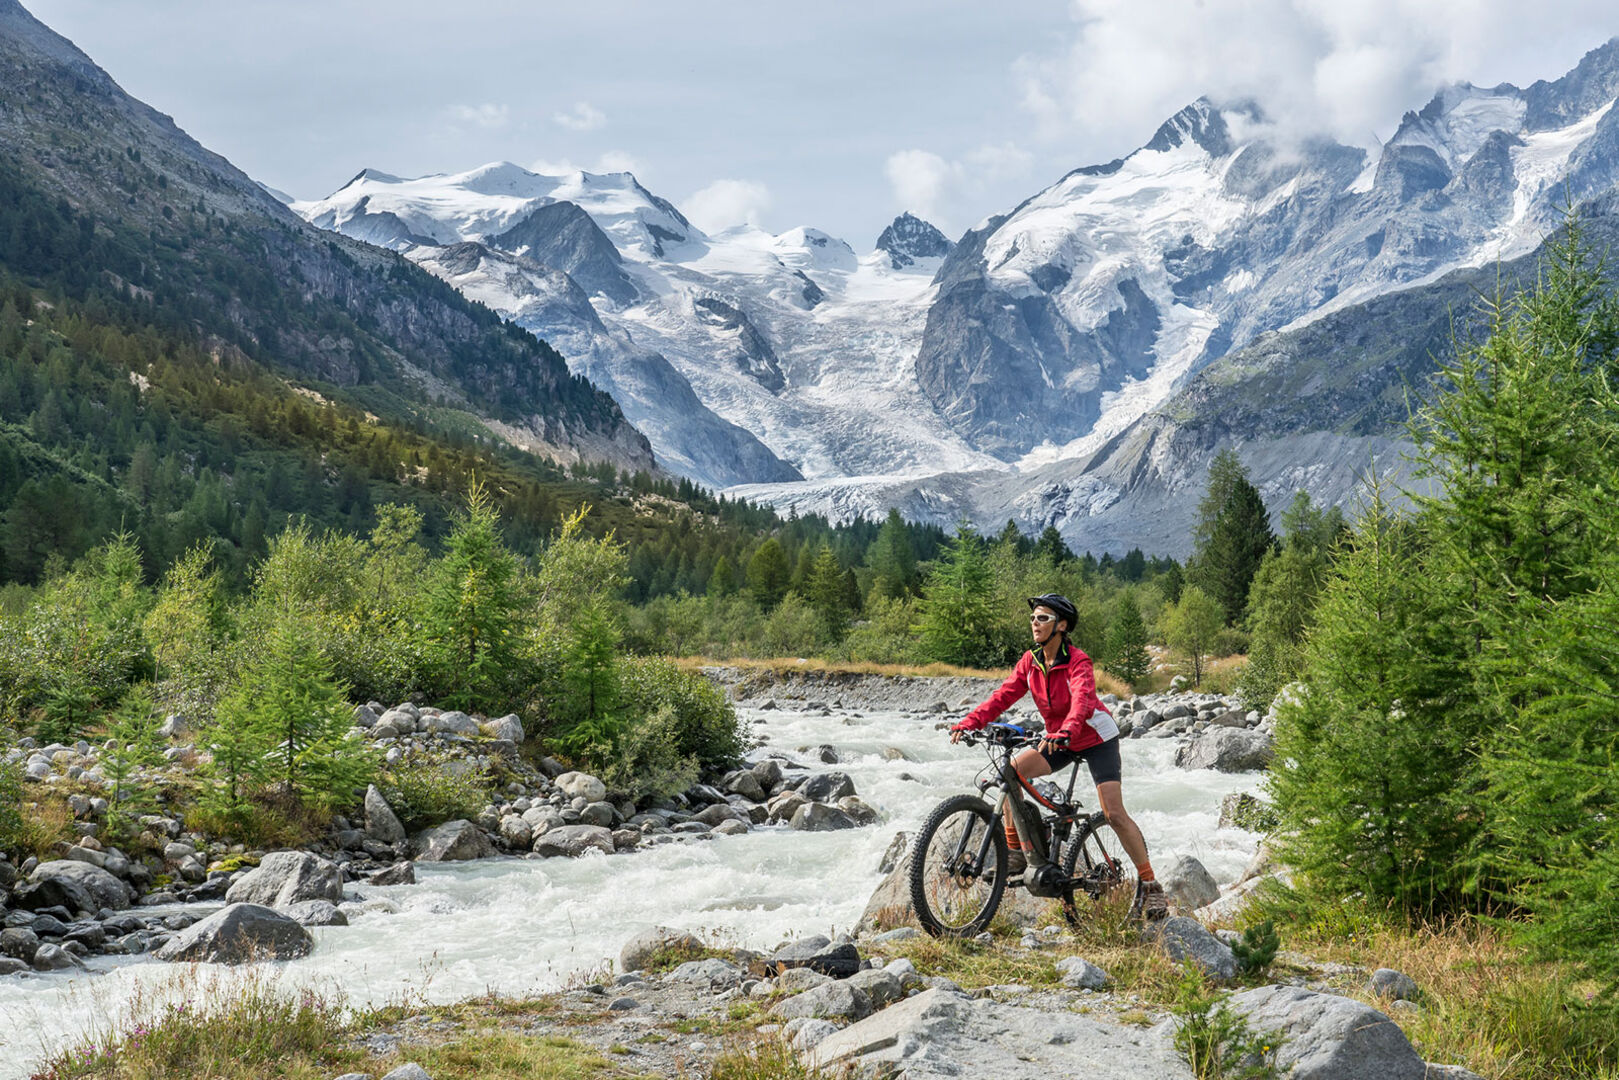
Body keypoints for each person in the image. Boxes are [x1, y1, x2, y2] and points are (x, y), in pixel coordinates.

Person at [950, 593, 1167, 919]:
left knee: (1114, 814)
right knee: (1010, 770)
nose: (1035, 624)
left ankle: (1151, 886)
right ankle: (1017, 852)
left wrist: (1066, 730)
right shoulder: (1031, 661)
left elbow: (1081, 700)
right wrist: (969, 722)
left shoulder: (1078, 661)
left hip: (1095, 737)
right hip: (1059, 737)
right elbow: (1002, 696)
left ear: (1061, 626)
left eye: (1043, 619)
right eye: (1033, 618)